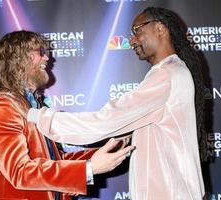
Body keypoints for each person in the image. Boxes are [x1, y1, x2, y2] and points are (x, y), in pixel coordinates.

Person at [27, 7, 207, 200]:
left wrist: (38, 116)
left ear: (160, 29)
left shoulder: (166, 75)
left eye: (137, 31)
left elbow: (105, 121)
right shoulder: (172, 71)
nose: (131, 40)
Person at [0, 30, 135, 200]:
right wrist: (89, 168)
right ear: (19, 58)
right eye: (41, 52)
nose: (47, 58)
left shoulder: (34, 105)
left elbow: (57, 159)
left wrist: (107, 150)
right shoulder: (0, 106)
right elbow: (20, 172)